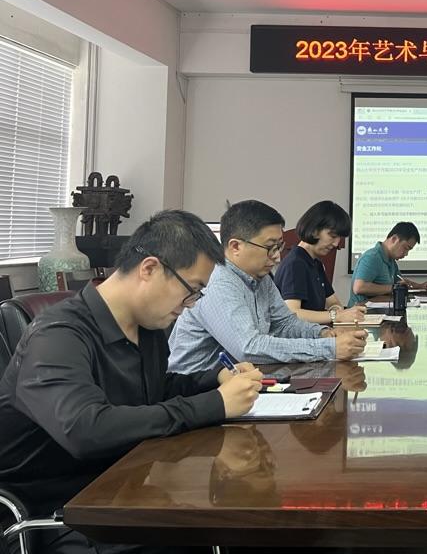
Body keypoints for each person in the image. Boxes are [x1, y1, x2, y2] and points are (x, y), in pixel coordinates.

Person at [0, 210, 264, 553]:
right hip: (58, 512)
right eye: (192, 291)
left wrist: (214, 379)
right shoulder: (57, 335)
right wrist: (215, 404)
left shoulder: (147, 328)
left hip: (120, 487)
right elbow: (86, 429)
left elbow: (151, 391)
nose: (190, 305)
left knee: (236, 521)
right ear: (149, 268)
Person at [169, 200, 366, 373]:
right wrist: (330, 348)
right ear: (235, 246)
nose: (277, 257)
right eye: (270, 247)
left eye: (279, 246)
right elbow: (249, 348)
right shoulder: (219, 283)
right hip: (198, 391)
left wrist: (322, 333)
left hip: (242, 379)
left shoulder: (261, 278)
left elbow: (285, 324)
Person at [273, 200, 367, 325]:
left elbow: (334, 303)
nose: (336, 243)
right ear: (314, 230)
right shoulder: (295, 263)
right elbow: (293, 313)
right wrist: (336, 315)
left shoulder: (315, 263)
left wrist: (337, 312)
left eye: (339, 238)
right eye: (333, 236)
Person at [348, 222, 427, 306]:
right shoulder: (372, 257)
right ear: (394, 239)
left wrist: (419, 286)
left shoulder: (391, 260)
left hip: (380, 309)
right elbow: (359, 287)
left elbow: (400, 282)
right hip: (361, 311)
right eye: (406, 248)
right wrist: (392, 288)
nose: (406, 254)